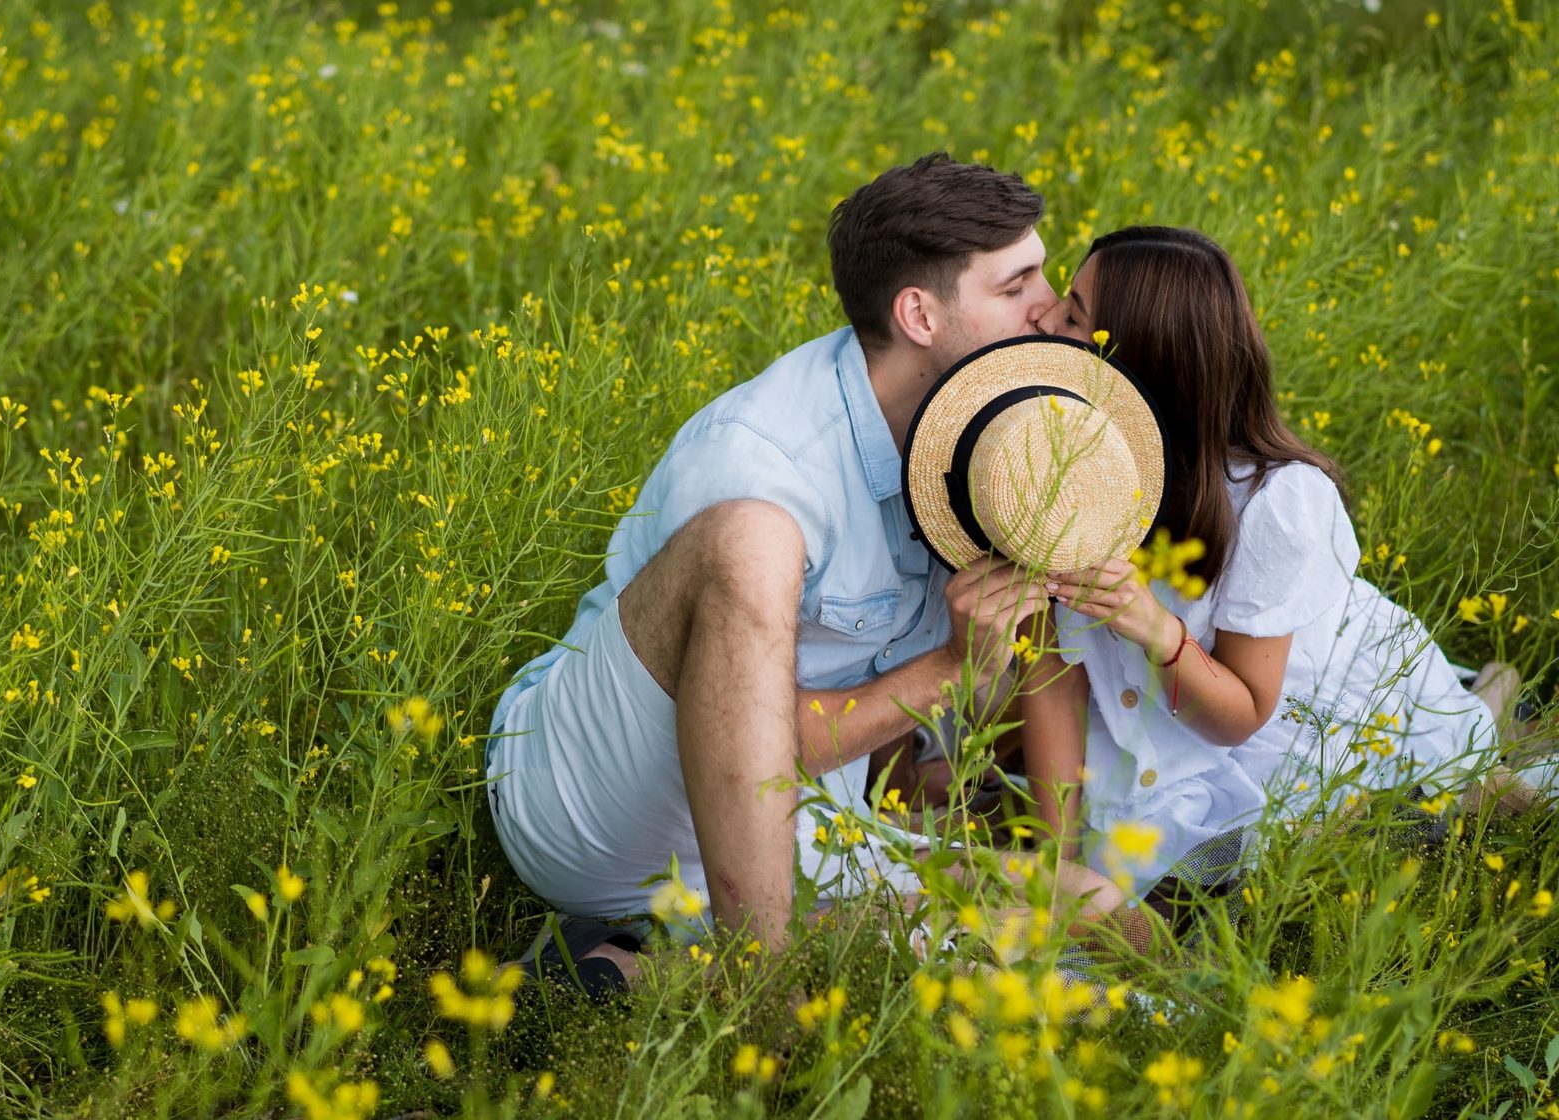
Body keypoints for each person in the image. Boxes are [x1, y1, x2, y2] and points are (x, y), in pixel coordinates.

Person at [483, 154, 1129, 986]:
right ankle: (762, 985)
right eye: (1016, 287)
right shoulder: (764, 460)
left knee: (1107, 916)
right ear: (920, 316)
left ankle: (631, 974)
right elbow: (740, 732)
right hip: (598, 799)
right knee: (748, 537)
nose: (1049, 311)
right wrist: (949, 672)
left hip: (791, 822)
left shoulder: (974, 432)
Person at [1022, 225, 1545, 900]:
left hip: (1298, 717)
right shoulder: (1047, 469)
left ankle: (1483, 735)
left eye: (1074, 315)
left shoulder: (1275, 501)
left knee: (1351, 839)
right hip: (1163, 727)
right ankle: (1490, 698)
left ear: (1139, 360)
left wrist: (1151, 627)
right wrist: (1059, 866)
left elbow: (1239, 714)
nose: (1044, 319)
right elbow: (1052, 675)